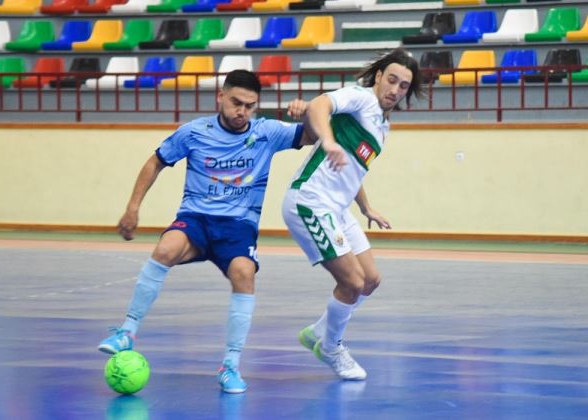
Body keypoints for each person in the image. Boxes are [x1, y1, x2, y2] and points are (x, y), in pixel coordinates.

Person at [98, 69, 313, 394]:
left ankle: (231, 365)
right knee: (166, 249)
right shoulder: (195, 132)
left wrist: (307, 113)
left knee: (244, 273)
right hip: (196, 219)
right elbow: (154, 162)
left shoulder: (267, 132)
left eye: (250, 106)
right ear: (221, 98)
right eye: (236, 103)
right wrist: (133, 207)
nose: (242, 111)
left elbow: (313, 135)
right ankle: (127, 331)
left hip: (238, 227)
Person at [282, 49, 423, 380]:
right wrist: (328, 142)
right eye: (392, 80)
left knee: (371, 281)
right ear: (378, 77)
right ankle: (331, 348)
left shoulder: (383, 127)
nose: (396, 90)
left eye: (404, 86)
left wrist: (365, 207)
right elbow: (319, 105)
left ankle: (318, 332)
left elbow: (353, 171)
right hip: (310, 201)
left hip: (339, 207)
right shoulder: (360, 99)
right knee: (352, 281)